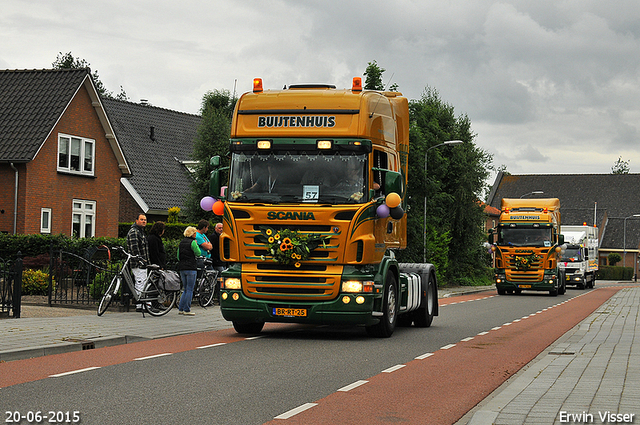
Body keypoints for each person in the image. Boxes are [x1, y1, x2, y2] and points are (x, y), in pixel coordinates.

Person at [127, 213, 149, 312]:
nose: (144, 221)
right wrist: (140, 260)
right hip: (138, 263)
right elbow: (134, 248)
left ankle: (141, 304)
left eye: (145, 220)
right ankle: (142, 305)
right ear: (136, 221)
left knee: (141, 283)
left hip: (143, 263)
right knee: (140, 283)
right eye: (141, 219)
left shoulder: (140, 232)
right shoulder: (134, 232)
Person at [177, 226, 201, 316]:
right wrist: (196, 244)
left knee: (185, 288)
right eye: (195, 233)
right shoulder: (193, 242)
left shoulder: (181, 242)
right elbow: (198, 253)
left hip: (182, 268)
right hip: (191, 267)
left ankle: (181, 308)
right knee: (190, 289)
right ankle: (187, 309)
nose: (196, 234)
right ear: (192, 233)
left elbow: (178, 256)